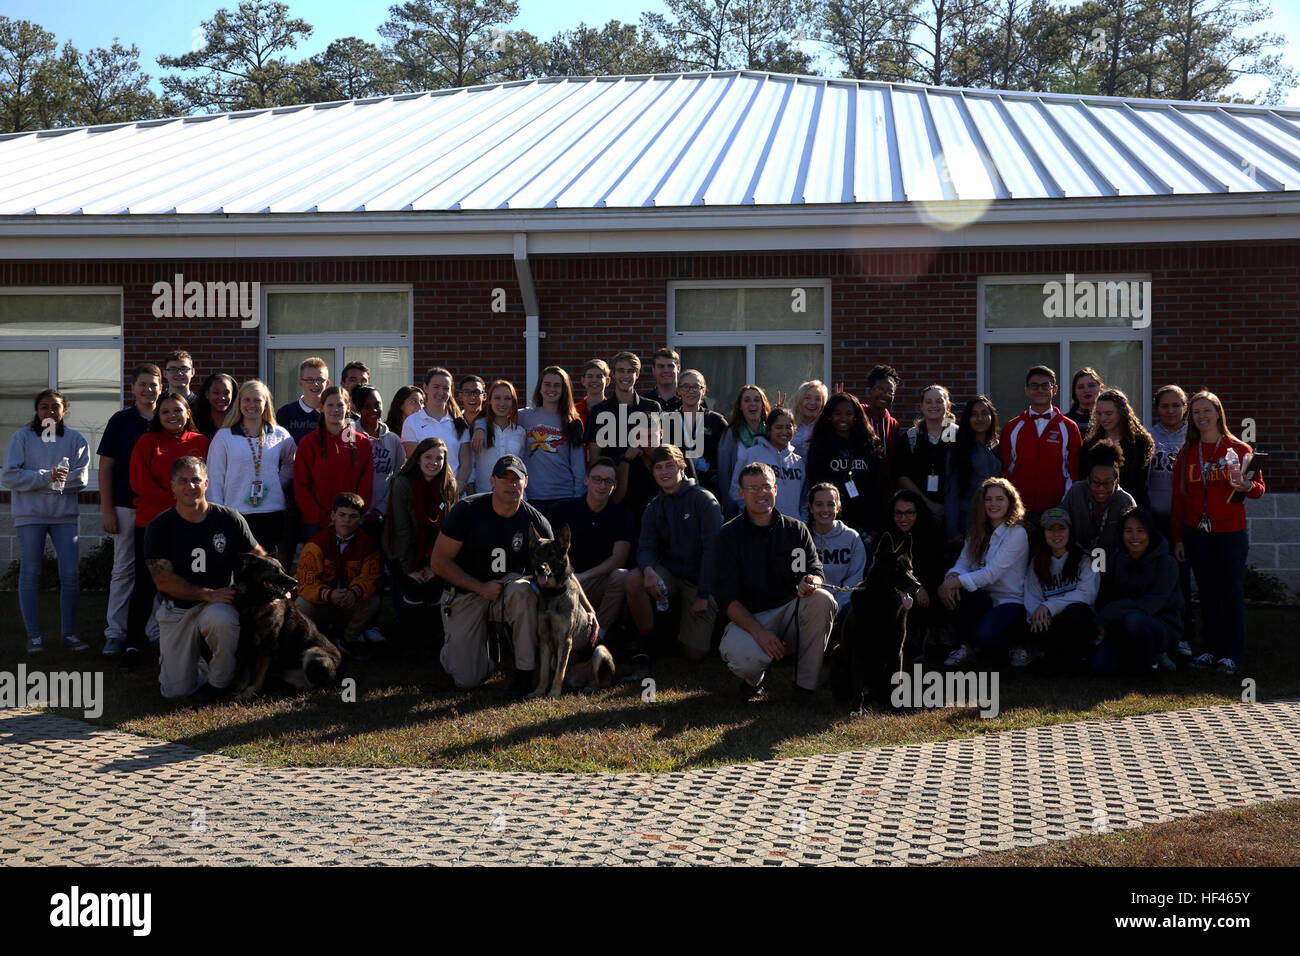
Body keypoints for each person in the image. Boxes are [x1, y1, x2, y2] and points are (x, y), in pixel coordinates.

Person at [430, 455, 579, 697]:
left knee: (523, 591)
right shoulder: (467, 510)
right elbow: (438, 562)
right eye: (504, 478)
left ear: (526, 482)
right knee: (467, 679)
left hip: (507, 593)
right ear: (492, 481)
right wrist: (480, 587)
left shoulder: (536, 521)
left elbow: (561, 568)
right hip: (467, 593)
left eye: (516, 479)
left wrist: (589, 610)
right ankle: (473, 647)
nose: (511, 485)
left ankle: (524, 673)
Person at [144, 456, 263, 702]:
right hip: (178, 608)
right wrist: (207, 593)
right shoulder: (159, 526)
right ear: (172, 486)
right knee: (176, 692)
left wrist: (273, 584)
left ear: (206, 483)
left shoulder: (229, 519)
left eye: (196, 480)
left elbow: (259, 557)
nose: (190, 486)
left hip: (217, 603)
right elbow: (163, 581)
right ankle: (197, 662)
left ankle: (219, 684)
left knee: (223, 620)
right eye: (183, 481)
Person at [717, 462, 836, 705]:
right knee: (741, 657)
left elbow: (814, 571)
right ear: (741, 493)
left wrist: (811, 581)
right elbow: (726, 598)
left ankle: (804, 687)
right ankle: (754, 679)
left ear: (776, 489)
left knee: (823, 599)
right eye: (753, 488)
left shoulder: (795, 530)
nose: (761, 493)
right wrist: (760, 633)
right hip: (750, 619)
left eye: (766, 486)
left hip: (791, 613)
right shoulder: (728, 535)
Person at [1171, 391, 1265, 676]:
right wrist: (1178, 538)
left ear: (1218, 413)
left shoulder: (1239, 448)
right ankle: (1211, 649)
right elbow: (1178, 498)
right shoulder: (1188, 452)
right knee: (1207, 591)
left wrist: (1247, 486)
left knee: (1231, 591)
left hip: (1230, 532)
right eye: (1196, 412)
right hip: (1196, 531)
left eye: (1206, 411)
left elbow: (1259, 490)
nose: (1202, 416)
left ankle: (1230, 654)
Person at [124, 393, 210, 669]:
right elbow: (139, 482)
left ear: (188, 413)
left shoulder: (201, 442)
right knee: (146, 584)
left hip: (192, 525)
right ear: (158, 416)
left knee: (190, 581)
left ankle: (193, 644)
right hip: (153, 525)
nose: (172, 416)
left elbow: (208, 481)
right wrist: (178, 502)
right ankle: (132, 643)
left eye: (178, 410)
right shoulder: (148, 442)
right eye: (166, 412)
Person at [2, 389, 90, 654]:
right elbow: (10, 476)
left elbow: (80, 479)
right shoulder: (22, 437)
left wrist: (43, 481)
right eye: (44, 407)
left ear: (64, 410)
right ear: (36, 410)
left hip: (64, 517)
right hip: (30, 516)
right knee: (30, 574)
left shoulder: (76, 439)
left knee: (70, 575)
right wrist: (47, 476)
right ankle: (34, 637)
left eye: (55, 407)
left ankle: (69, 635)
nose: (50, 411)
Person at [634, 445, 723, 663]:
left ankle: (682, 634)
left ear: (682, 467)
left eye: (670, 466)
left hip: (700, 581)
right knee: (633, 579)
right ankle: (649, 644)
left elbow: (713, 553)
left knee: (694, 654)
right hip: (670, 575)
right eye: (658, 467)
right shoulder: (654, 507)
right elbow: (645, 546)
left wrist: (703, 595)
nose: (664, 472)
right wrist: (648, 570)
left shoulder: (704, 501)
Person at [96, 364, 161, 656]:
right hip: (125, 506)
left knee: (159, 570)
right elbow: (106, 466)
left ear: (161, 388)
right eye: (143, 384)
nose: (148, 389)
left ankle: (154, 631)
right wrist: (107, 509)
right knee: (124, 569)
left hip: (160, 509)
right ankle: (116, 632)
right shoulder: (121, 421)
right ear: (132, 388)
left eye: (153, 384)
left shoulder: (167, 417)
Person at [549, 457, 644, 648]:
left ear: (614, 485)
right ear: (586, 480)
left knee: (621, 576)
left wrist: (584, 577)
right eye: (597, 479)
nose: (602, 485)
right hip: (564, 582)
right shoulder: (562, 510)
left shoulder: (622, 515)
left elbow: (619, 558)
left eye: (608, 481)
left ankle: (598, 636)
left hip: (596, 582)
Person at [938, 477, 1030, 666]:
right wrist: (951, 577)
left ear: (1010, 502)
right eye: (988, 499)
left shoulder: (1017, 533)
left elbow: (991, 574)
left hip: (1009, 601)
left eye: (999, 499)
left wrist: (953, 582)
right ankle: (965, 646)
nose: (993, 504)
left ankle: (1018, 644)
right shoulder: (976, 531)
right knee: (954, 592)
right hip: (982, 597)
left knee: (986, 637)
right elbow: (962, 563)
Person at [384, 437, 456, 659]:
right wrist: (410, 569)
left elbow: (449, 532)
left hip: (435, 554)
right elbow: (402, 530)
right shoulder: (403, 483)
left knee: (435, 591)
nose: (433, 463)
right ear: (417, 459)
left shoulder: (448, 485)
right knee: (414, 589)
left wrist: (435, 567)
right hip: (402, 552)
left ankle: (434, 646)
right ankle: (408, 646)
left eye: (439, 459)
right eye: (428, 457)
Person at [206, 379, 296, 552]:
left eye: (257, 400)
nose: (252, 405)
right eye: (247, 400)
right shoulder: (224, 436)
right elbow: (215, 478)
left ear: (266, 403)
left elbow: (292, 462)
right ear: (239, 403)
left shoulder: (279, 434)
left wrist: (277, 482)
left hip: (272, 512)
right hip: (236, 512)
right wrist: (218, 514)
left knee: (267, 563)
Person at [1093, 508, 1182, 676]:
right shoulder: (1116, 560)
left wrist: (1111, 611)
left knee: (1134, 621)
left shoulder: (1167, 563)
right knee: (1100, 667)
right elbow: (1105, 595)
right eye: (1129, 531)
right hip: (1120, 621)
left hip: (1161, 624)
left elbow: (1152, 604)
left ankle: (1156, 656)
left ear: (1150, 533)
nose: (1134, 537)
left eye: (1140, 531)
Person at [296, 492, 383, 659]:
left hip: (349, 603)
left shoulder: (368, 545)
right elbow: (306, 583)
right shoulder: (315, 544)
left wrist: (354, 592)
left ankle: (347, 641)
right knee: (301, 603)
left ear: (361, 519)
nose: (346, 520)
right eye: (342, 515)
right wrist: (328, 594)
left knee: (374, 601)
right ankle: (304, 642)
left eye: (353, 516)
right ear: (333, 516)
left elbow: (370, 578)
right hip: (322, 603)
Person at [999, 365, 1081, 526]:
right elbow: (1006, 470)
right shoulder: (1012, 427)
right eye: (1034, 386)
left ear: (1054, 390)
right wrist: (1012, 504)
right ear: (1027, 390)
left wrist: (1064, 505)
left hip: (1057, 509)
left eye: (1045, 385)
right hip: (1019, 510)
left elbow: (1073, 471)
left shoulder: (1069, 427)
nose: (1040, 390)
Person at [1146, 384, 1194, 655]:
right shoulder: (1149, 437)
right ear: (1157, 408)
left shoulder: (1194, 437)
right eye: (1165, 406)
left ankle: (1184, 634)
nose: (1171, 411)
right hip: (1156, 519)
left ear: (1185, 408)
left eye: (1176, 405)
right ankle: (1158, 632)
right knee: (1159, 577)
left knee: (1182, 578)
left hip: (1185, 520)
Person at [1022, 507, 1100, 670]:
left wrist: (1049, 606)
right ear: (1043, 533)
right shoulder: (1036, 563)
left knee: (1076, 611)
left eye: (1061, 529)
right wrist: (1040, 614)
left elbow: (1087, 595)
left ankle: (1078, 655)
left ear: (1070, 531)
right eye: (1050, 529)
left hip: (1078, 621)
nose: (1056, 534)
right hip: (1052, 621)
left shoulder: (1086, 559)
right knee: (1039, 623)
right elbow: (1032, 598)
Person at [293, 386, 373, 541]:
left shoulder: (362, 443)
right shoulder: (308, 443)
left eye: (340, 405)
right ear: (321, 407)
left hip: (352, 523)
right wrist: (322, 518)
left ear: (348, 407)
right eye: (330, 405)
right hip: (316, 524)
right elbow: (301, 486)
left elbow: (366, 485)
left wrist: (351, 516)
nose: (335, 410)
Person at [806, 392, 885, 541]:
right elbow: (815, 485)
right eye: (838, 413)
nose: (843, 418)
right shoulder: (819, 447)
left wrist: (875, 523)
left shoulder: (868, 445)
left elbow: (876, 485)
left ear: (856, 417)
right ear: (830, 416)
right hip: (832, 519)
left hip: (865, 521)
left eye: (849, 414)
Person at [518, 366, 586, 517]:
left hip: (564, 497)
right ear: (540, 388)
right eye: (547, 384)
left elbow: (579, 466)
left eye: (557, 385)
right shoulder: (524, 417)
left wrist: (578, 498)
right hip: (532, 498)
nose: (551, 389)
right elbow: (493, 416)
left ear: (564, 389)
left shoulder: (573, 422)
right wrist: (480, 429)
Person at [887, 488, 945, 654]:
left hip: (926, 593)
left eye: (910, 513)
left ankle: (924, 640)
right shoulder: (886, 536)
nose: (904, 518)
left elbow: (935, 572)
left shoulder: (932, 535)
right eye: (898, 513)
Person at [1061, 438, 1136, 560]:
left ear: (1117, 481)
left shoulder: (1125, 501)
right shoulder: (1076, 492)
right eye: (1096, 482)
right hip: (1077, 558)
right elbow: (1060, 516)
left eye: (1107, 483)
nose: (1101, 488)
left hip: (1113, 561)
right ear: (1088, 480)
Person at [1080, 388, 1154, 509]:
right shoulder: (1090, 443)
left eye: (1108, 413)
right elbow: (1084, 479)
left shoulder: (1140, 442)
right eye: (1099, 413)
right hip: (1096, 508)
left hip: (1130, 507)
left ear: (1122, 412)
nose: (1103, 418)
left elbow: (1140, 484)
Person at [729, 406, 806, 520]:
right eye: (778, 427)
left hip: (791, 526)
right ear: (769, 429)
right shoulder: (751, 455)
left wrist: (802, 521)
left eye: (788, 427)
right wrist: (754, 515)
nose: (784, 431)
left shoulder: (799, 462)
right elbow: (736, 489)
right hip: (757, 524)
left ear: (794, 429)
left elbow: (804, 499)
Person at [584, 351, 662, 462]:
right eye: (621, 371)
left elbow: (659, 452)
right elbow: (595, 459)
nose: (625, 376)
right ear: (613, 374)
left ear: (637, 374)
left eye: (630, 371)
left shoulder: (652, 407)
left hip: (644, 472)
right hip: (611, 472)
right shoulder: (598, 411)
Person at [896, 384, 954, 527]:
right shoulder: (911, 437)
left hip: (952, 512)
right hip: (917, 512)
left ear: (948, 405)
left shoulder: (957, 435)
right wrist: (928, 504)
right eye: (928, 402)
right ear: (921, 407)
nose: (934, 405)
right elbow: (902, 476)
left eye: (939, 401)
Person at [945, 395, 1001, 544]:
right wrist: (953, 531)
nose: (980, 418)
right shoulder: (958, 447)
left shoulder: (997, 445)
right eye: (974, 414)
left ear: (992, 416)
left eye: (984, 413)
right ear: (967, 418)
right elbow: (952, 492)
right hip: (969, 521)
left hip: (996, 520)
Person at [351, 385, 406, 534]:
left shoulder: (394, 441)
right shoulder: (348, 437)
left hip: (384, 516)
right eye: (367, 406)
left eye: (377, 405)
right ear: (358, 408)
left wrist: (381, 510)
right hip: (353, 516)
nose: (373, 410)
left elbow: (398, 478)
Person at [401, 367, 470, 484]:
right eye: (436, 387)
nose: (441, 392)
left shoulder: (460, 423)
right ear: (425, 387)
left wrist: (456, 487)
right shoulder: (411, 422)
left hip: (454, 490)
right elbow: (414, 463)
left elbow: (466, 463)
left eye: (446, 388)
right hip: (423, 489)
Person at [808, 483, 866, 616]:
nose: (825, 510)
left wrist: (835, 606)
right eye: (819, 504)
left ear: (838, 507)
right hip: (809, 603)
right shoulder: (801, 536)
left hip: (843, 605)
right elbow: (797, 575)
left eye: (830, 504)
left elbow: (854, 579)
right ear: (810, 508)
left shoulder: (852, 538)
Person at [716, 384, 772, 519]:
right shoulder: (731, 434)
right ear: (740, 406)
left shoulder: (771, 433)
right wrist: (730, 505)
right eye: (747, 400)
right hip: (740, 505)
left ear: (763, 404)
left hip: (768, 501)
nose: (752, 404)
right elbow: (724, 473)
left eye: (757, 400)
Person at [468, 379, 526, 497]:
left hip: (513, 498)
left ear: (513, 402)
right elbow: (471, 465)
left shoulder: (520, 432)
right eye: (497, 398)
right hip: (484, 496)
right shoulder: (479, 429)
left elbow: (522, 467)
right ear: (490, 401)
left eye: (507, 398)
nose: (502, 403)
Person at [676, 369, 727, 500]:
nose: (691, 391)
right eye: (686, 386)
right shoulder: (668, 421)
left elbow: (728, 456)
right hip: (677, 490)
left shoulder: (716, 421)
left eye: (696, 386)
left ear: (703, 390)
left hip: (711, 491)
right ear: (679, 390)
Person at [275, 356, 330, 445]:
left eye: (319, 379)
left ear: (327, 383)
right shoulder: (285, 413)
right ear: (301, 383)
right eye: (309, 380)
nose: (315, 384)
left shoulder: (334, 413)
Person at [864, 365, 902, 482]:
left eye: (890, 391)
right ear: (870, 391)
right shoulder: (858, 415)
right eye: (880, 389)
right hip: (860, 485)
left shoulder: (893, 425)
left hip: (886, 488)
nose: (885, 394)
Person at [190, 373, 237, 440]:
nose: (222, 398)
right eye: (216, 393)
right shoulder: (194, 423)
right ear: (207, 394)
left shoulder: (239, 422)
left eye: (226, 393)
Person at [791, 380, 828, 459]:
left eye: (817, 399)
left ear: (822, 403)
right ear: (799, 401)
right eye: (807, 398)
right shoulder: (788, 423)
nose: (812, 403)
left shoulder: (827, 426)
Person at [1066, 367, 1104, 438]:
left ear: (1102, 388)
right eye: (1081, 387)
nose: (1086, 390)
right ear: (1074, 392)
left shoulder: (1109, 418)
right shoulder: (1065, 421)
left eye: (1091, 385)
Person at [574, 359, 610, 429]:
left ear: (607, 381)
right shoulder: (573, 411)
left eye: (599, 376)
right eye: (590, 376)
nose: (594, 380)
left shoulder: (614, 411)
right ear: (583, 381)